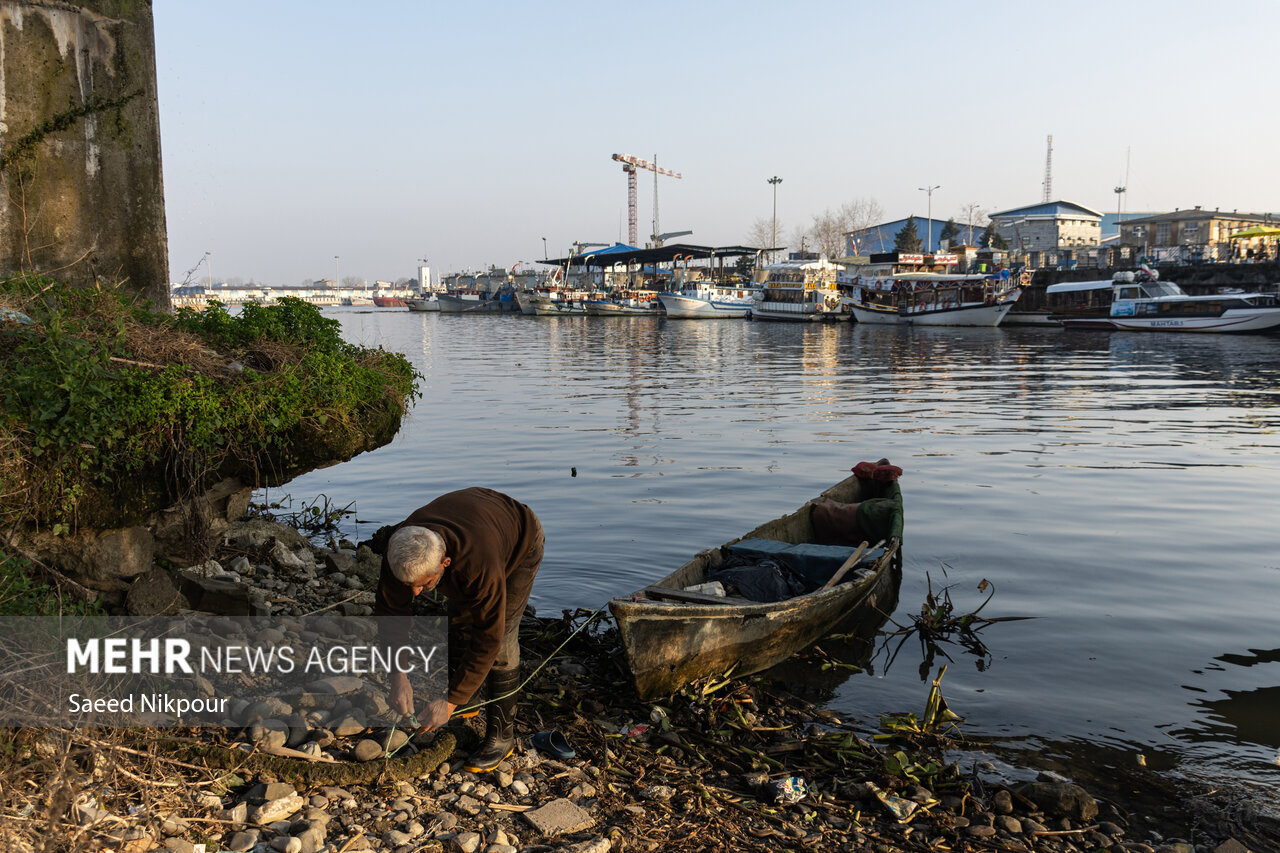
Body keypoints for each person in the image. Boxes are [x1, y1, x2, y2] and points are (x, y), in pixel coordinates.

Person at [374, 487, 543, 773]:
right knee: (458, 620)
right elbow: (392, 618)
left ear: (445, 563)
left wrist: (449, 701)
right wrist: (397, 676)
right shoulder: (401, 552)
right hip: (476, 520)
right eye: (408, 586)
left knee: (501, 641)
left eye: (424, 585)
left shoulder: (479, 565)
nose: (415, 593)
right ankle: (469, 702)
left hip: (520, 539)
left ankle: (502, 738)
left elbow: (489, 637)